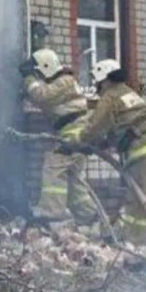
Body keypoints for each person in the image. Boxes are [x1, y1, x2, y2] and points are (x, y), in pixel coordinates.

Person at [68, 59, 146, 247]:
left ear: (103, 79)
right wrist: (103, 144)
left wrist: (76, 142)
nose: (97, 86)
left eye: (97, 82)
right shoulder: (128, 93)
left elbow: (94, 127)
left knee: (139, 204)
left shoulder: (110, 96)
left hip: (144, 152)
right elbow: (123, 125)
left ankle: (138, 249)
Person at [20, 48, 98, 225]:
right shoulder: (62, 83)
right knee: (73, 179)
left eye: (38, 72)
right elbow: (45, 99)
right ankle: (88, 215)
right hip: (76, 135)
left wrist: (29, 78)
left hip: (74, 135)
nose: (38, 76)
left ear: (46, 67)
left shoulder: (65, 81)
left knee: (52, 166)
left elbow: (42, 96)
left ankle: (52, 213)